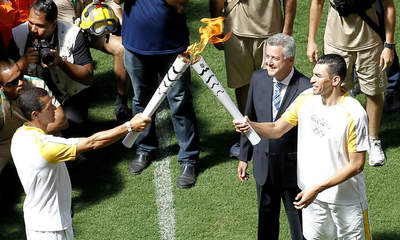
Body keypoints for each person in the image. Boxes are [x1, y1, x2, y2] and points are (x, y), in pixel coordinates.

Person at [234, 54, 372, 239]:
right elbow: (277, 128)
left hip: (346, 201)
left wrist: (317, 188)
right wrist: (251, 126)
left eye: (318, 76)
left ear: (335, 80)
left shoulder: (354, 113)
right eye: (313, 74)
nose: (312, 80)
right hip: (312, 198)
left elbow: (356, 165)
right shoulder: (306, 98)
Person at [11, 87, 151, 240]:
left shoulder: (19, 135)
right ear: (35, 115)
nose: (54, 109)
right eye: (48, 107)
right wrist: (129, 126)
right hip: (52, 229)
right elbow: (92, 143)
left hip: (38, 223)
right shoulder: (45, 147)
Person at [115, 0, 200, 189]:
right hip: (135, 44)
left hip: (173, 46)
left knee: (180, 102)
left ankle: (189, 159)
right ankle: (144, 148)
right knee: (141, 99)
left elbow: (181, 3)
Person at [307, 0, 396, 166]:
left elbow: (388, 6)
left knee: (373, 91)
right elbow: (317, 4)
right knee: (336, 92)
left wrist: (389, 45)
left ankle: (373, 140)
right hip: (336, 41)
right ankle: (340, 137)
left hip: (370, 41)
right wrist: (311, 40)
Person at [238, 33, 310, 239]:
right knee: (266, 226)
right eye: (267, 56)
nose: (268, 62)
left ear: (290, 59)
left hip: (293, 171)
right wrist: (244, 156)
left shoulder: (306, 89)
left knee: (300, 228)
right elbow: (249, 116)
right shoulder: (258, 79)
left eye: (274, 58)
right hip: (263, 167)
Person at [209, 0, 296, 158]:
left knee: (274, 86)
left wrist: (287, 29)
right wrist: (216, 30)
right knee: (242, 86)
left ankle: (273, 136)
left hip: (272, 30)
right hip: (235, 31)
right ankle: (247, 136)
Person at [7, 0, 94, 134]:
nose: (33, 29)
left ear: (54, 24)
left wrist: (61, 63)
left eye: (40, 26)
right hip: (33, 98)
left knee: (72, 127)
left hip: (69, 95)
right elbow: (4, 78)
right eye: (30, 22)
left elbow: (88, 77)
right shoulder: (18, 35)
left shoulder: (73, 34)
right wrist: (22, 63)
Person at [53, 0, 131, 123]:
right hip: (68, 37)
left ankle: (121, 102)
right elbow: (73, 30)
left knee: (122, 49)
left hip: (90, 30)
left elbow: (110, 2)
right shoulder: (60, 2)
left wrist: (122, 21)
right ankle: (68, 97)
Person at [0, 58, 68, 175]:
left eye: (20, 75)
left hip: (36, 135)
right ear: (1, 87)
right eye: (13, 83)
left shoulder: (36, 84)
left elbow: (61, 121)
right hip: (6, 141)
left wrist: (27, 138)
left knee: (57, 135)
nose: (20, 82)